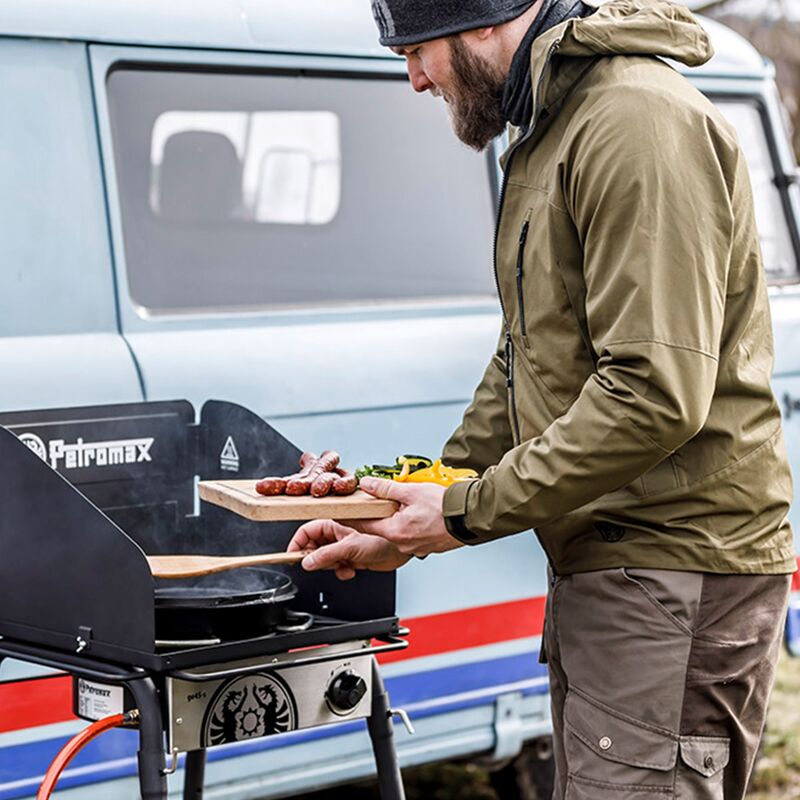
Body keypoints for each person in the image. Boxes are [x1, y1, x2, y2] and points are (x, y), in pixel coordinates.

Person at [288, 0, 796, 796]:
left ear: (484, 19)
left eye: (418, 49)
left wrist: (462, 512)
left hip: (673, 575)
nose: (413, 77)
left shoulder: (634, 123)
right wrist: (412, 504)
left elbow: (654, 392)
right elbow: (524, 359)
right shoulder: (552, 132)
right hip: (615, 570)